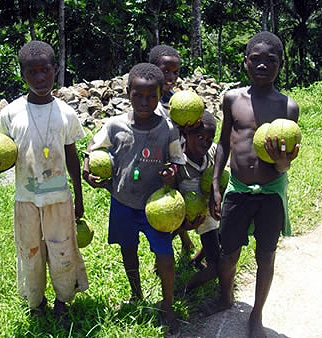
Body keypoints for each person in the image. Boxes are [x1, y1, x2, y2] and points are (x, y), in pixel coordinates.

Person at [0, 40, 88, 327]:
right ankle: (36, 302)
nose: (40, 78)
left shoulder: (66, 112)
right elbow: (6, 155)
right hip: (26, 199)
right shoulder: (11, 114)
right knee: (31, 252)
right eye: (32, 72)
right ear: (22, 74)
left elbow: (72, 156)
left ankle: (63, 301)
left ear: (56, 70)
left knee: (63, 249)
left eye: (45, 71)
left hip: (59, 200)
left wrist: (79, 197)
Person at [82, 62, 185, 335]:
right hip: (123, 201)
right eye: (138, 95)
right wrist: (87, 170)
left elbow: (177, 161)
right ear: (128, 93)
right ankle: (136, 294)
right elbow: (92, 149)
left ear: (160, 93)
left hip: (157, 207)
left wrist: (171, 174)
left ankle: (168, 305)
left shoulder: (168, 128)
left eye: (152, 96)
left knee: (165, 254)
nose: (144, 101)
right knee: (128, 250)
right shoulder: (115, 126)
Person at [209, 31, 300, 338]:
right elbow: (223, 143)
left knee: (266, 256)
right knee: (229, 253)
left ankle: (256, 315)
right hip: (237, 189)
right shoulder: (233, 98)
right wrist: (215, 185)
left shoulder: (288, 107)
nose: (263, 65)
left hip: (271, 193)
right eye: (256, 59)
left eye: (271, 60)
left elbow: (286, 163)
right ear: (245, 62)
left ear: (281, 65)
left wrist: (282, 162)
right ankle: (225, 297)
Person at [149, 44, 195, 253]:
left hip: (176, 158)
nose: (171, 77)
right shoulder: (147, 99)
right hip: (155, 160)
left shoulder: (177, 100)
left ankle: (184, 240)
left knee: (176, 201)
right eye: (165, 71)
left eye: (175, 72)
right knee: (163, 204)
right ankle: (165, 251)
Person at [175, 111, 221, 294]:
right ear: (186, 134)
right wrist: (182, 225)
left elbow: (223, 152)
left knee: (216, 259)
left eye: (209, 138)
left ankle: (196, 260)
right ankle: (182, 290)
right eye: (200, 136)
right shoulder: (177, 161)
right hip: (185, 212)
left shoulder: (213, 152)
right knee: (165, 234)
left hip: (208, 211)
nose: (205, 142)